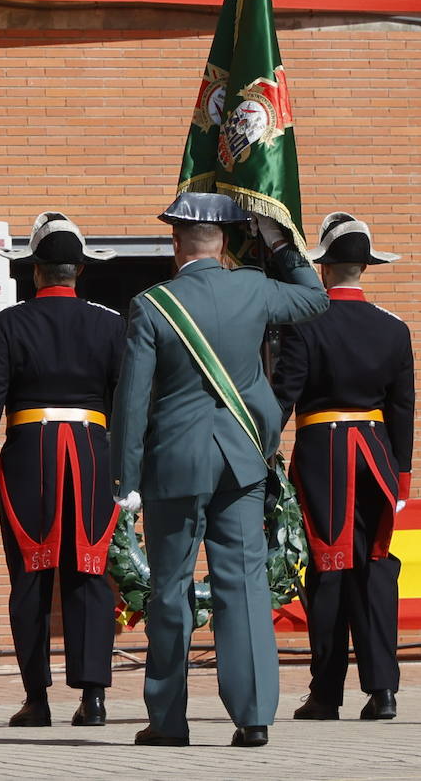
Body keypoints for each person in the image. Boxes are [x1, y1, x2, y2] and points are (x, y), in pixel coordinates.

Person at [109, 192, 328, 748]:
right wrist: (279, 240)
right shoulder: (254, 287)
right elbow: (315, 297)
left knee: (169, 589)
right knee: (245, 585)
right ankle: (253, 717)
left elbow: (131, 401)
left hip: (174, 464)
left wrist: (125, 479)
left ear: (175, 243)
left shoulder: (152, 304)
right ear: (226, 241)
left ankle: (168, 722)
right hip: (241, 459)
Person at [0, 211, 125, 728]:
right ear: (80, 271)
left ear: (35, 270)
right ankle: (94, 697)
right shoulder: (109, 322)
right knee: (90, 573)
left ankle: (37, 699)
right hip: (93, 453)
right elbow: (125, 401)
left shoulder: (8, 322)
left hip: (30, 453)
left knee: (31, 577)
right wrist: (130, 466)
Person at [272, 212, 412, 722]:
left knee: (329, 569)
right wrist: (401, 476)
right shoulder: (393, 328)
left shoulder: (305, 324)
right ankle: (384, 690)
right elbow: (402, 408)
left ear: (325, 268)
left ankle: (326, 694)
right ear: (364, 267)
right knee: (375, 568)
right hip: (377, 454)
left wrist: (261, 448)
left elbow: (284, 396)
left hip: (324, 454)